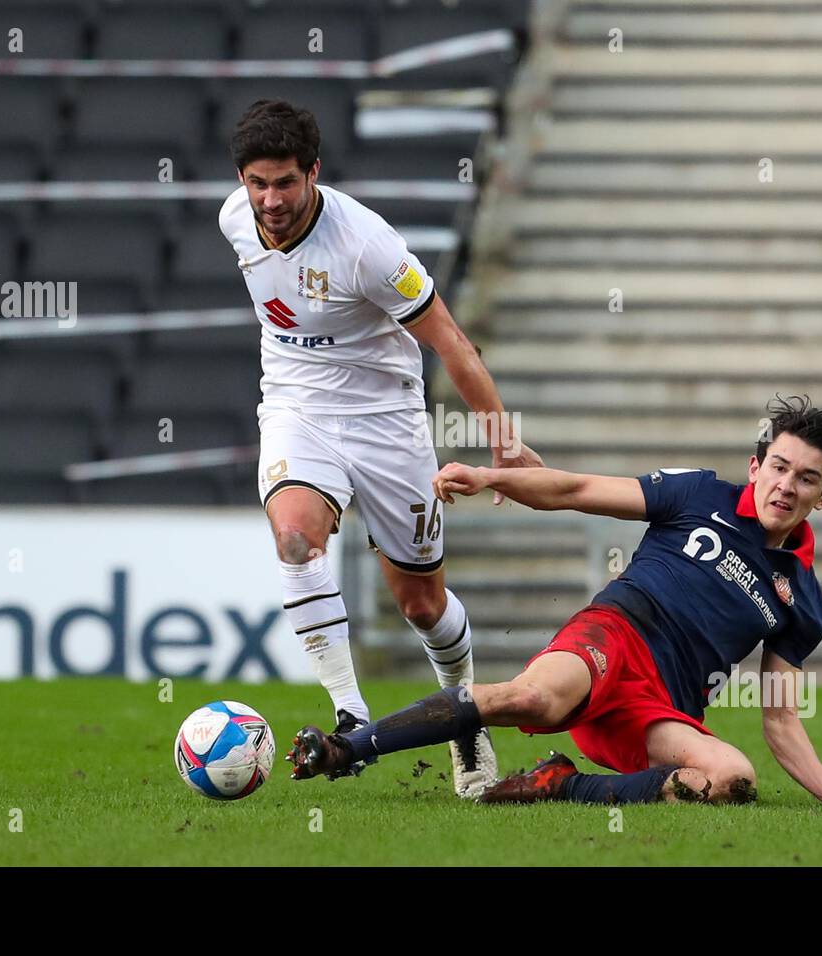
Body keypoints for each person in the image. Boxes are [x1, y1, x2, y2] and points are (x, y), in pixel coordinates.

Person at [287, 396, 822, 809]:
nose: (786, 486)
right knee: (530, 696)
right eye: (779, 467)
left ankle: (559, 783)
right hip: (613, 635)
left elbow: (780, 718)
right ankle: (347, 747)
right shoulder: (699, 495)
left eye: (807, 479)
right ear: (755, 466)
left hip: (663, 706)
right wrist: (490, 476)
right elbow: (578, 488)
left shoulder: (804, 602)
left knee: (730, 781)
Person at [219, 99, 542, 799]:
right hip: (297, 407)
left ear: (314, 173)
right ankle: (350, 718)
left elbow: (451, 340)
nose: (270, 201)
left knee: (422, 606)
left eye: (284, 183)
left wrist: (504, 445)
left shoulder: (367, 247)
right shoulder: (233, 219)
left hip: (386, 419)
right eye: (256, 183)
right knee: (296, 542)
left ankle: (462, 718)